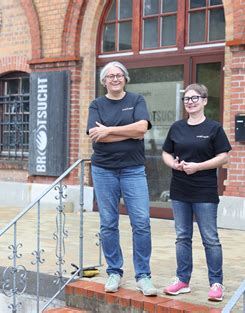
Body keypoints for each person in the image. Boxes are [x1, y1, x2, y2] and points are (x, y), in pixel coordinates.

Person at [86, 61, 157, 296]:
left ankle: (143, 275)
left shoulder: (136, 100)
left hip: (133, 170)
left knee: (141, 222)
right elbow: (97, 138)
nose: (115, 79)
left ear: (125, 79)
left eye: (119, 75)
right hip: (104, 170)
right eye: (110, 76)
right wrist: (123, 133)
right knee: (108, 223)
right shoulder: (96, 104)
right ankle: (114, 271)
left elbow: (142, 128)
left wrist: (109, 130)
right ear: (104, 81)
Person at [161, 83, 231, 302]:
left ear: (205, 100)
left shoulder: (214, 128)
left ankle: (216, 284)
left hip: (204, 191)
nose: (190, 102)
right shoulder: (177, 127)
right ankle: (182, 281)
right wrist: (174, 165)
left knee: (210, 238)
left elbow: (224, 157)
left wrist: (198, 167)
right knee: (182, 237)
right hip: (180, 189)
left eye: (195, 98)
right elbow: (166, 152)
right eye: (187, 99)